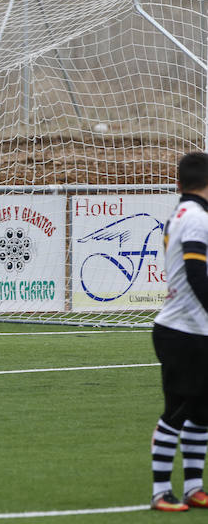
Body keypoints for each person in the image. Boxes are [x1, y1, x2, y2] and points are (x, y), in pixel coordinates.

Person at [150, 151, 208, 511]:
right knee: (176, 410)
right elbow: (196, 275)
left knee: (202, 411)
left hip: (192, 329)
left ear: (178, 183)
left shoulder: (182, 215)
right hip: (183, 330)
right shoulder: (198, 219)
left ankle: (193, 487)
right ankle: (160, 492)